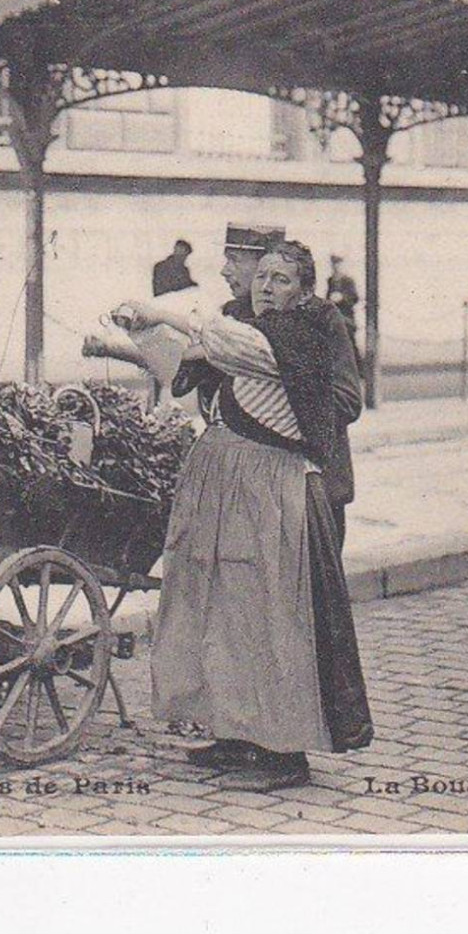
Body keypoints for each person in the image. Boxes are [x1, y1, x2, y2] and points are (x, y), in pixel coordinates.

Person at [120, 238, 373, 792]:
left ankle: (285, 754)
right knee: (223, 608)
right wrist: (126, 341)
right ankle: (235, 732)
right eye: (264, 277)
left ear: (303, 291)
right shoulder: (246, 322)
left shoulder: (297, 332)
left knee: (272, 615)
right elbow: (187, 363)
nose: (266, 287)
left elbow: (228, 346)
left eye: (281, 280)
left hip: (273, 484)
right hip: (229, 477)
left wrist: (160, 312)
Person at [175, 222, 360, 550]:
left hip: (310, 487)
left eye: (234, 261)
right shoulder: (232, 315)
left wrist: (279, 392)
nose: (224, 271)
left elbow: (346, 400)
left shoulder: (320, 316)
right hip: (249, 488)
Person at [326, 253, 361, 368]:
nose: (336, 267)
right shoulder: (331, 280)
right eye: (334, 264)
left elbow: (354, 298)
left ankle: (360, 370)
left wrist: (342, 298)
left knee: (350, 344)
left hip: (347, 318)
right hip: (334, 318)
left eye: (338, 264)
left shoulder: (348, 281)